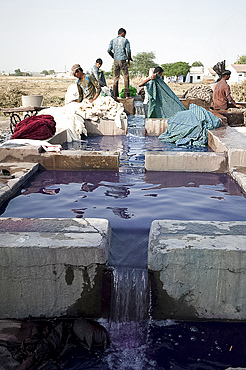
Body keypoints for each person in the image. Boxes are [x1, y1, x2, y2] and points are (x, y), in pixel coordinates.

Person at [107, 27, 132, 99]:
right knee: (125, 77)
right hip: (123, 59)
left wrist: (114, 56)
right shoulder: (125, 40)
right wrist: (129, 59)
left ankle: (115, 95)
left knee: (115, 78)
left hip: (115, 60)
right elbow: (129, 51)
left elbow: (108, 50)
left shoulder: (112, 40)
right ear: (123, 33)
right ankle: (127, 95)